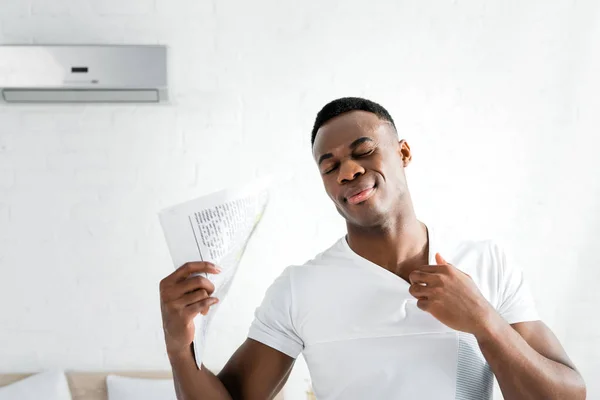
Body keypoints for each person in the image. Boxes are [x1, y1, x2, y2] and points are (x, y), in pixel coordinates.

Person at [159, 97, 586, 399]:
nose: (348, 170)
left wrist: (483, 321)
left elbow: (566, 396)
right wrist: (180, 347)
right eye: (330, 167)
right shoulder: (299, 289)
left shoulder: (486, 263)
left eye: (363, 151)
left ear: (403, 154)